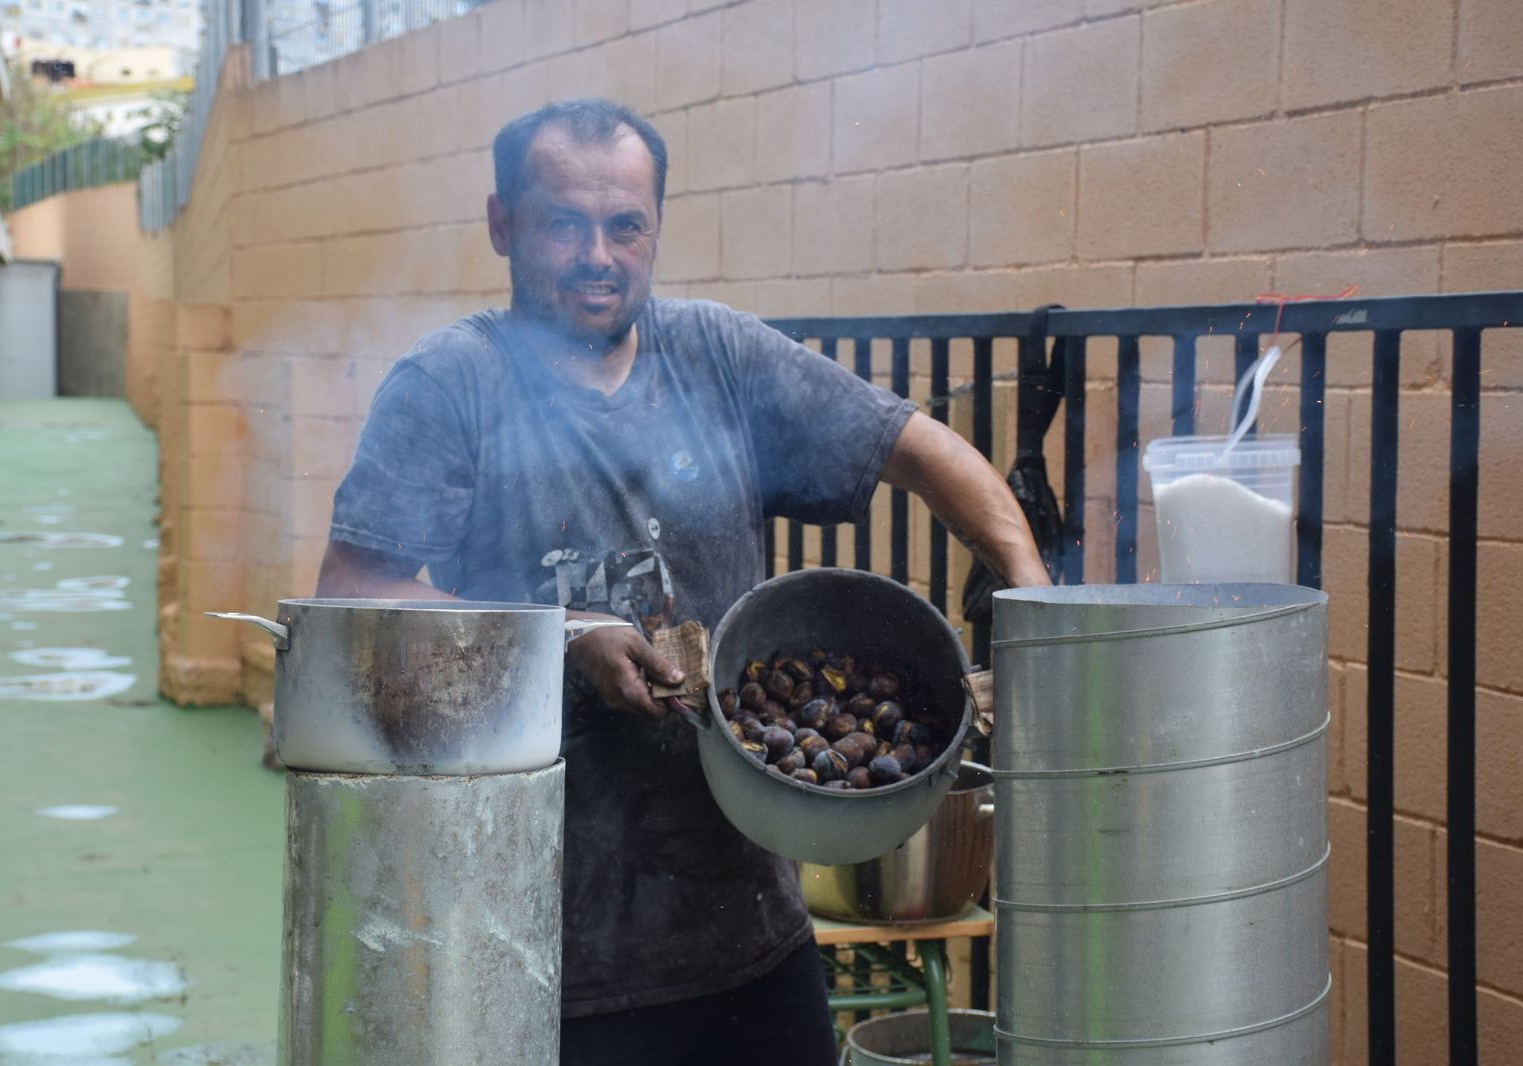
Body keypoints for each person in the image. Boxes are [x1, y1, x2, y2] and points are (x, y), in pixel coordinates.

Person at [317, 98, 1049, 1066]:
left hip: (744, 928)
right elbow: (353, 593)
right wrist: (566, 634)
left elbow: (921, 449)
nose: (597, 255)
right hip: (534, 933)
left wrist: (1033, 591)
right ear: (502, 224)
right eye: (561, 223)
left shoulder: (719, 355)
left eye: (626, 225)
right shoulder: (450, 383)